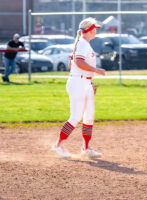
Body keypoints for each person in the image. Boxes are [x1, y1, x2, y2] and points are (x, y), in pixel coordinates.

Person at [51, 17, 106, 158]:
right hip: (78, 83)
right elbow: (79, 62)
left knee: (89, 117)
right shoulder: (82, 43)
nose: (95, 31)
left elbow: (72, 65)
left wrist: (89, 79)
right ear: (87, 30)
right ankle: (58, 145)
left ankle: (86, 149)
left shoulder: (84, 44)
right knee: (75, 117)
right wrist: (96, 70)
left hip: (84, 82)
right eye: (93, 28)